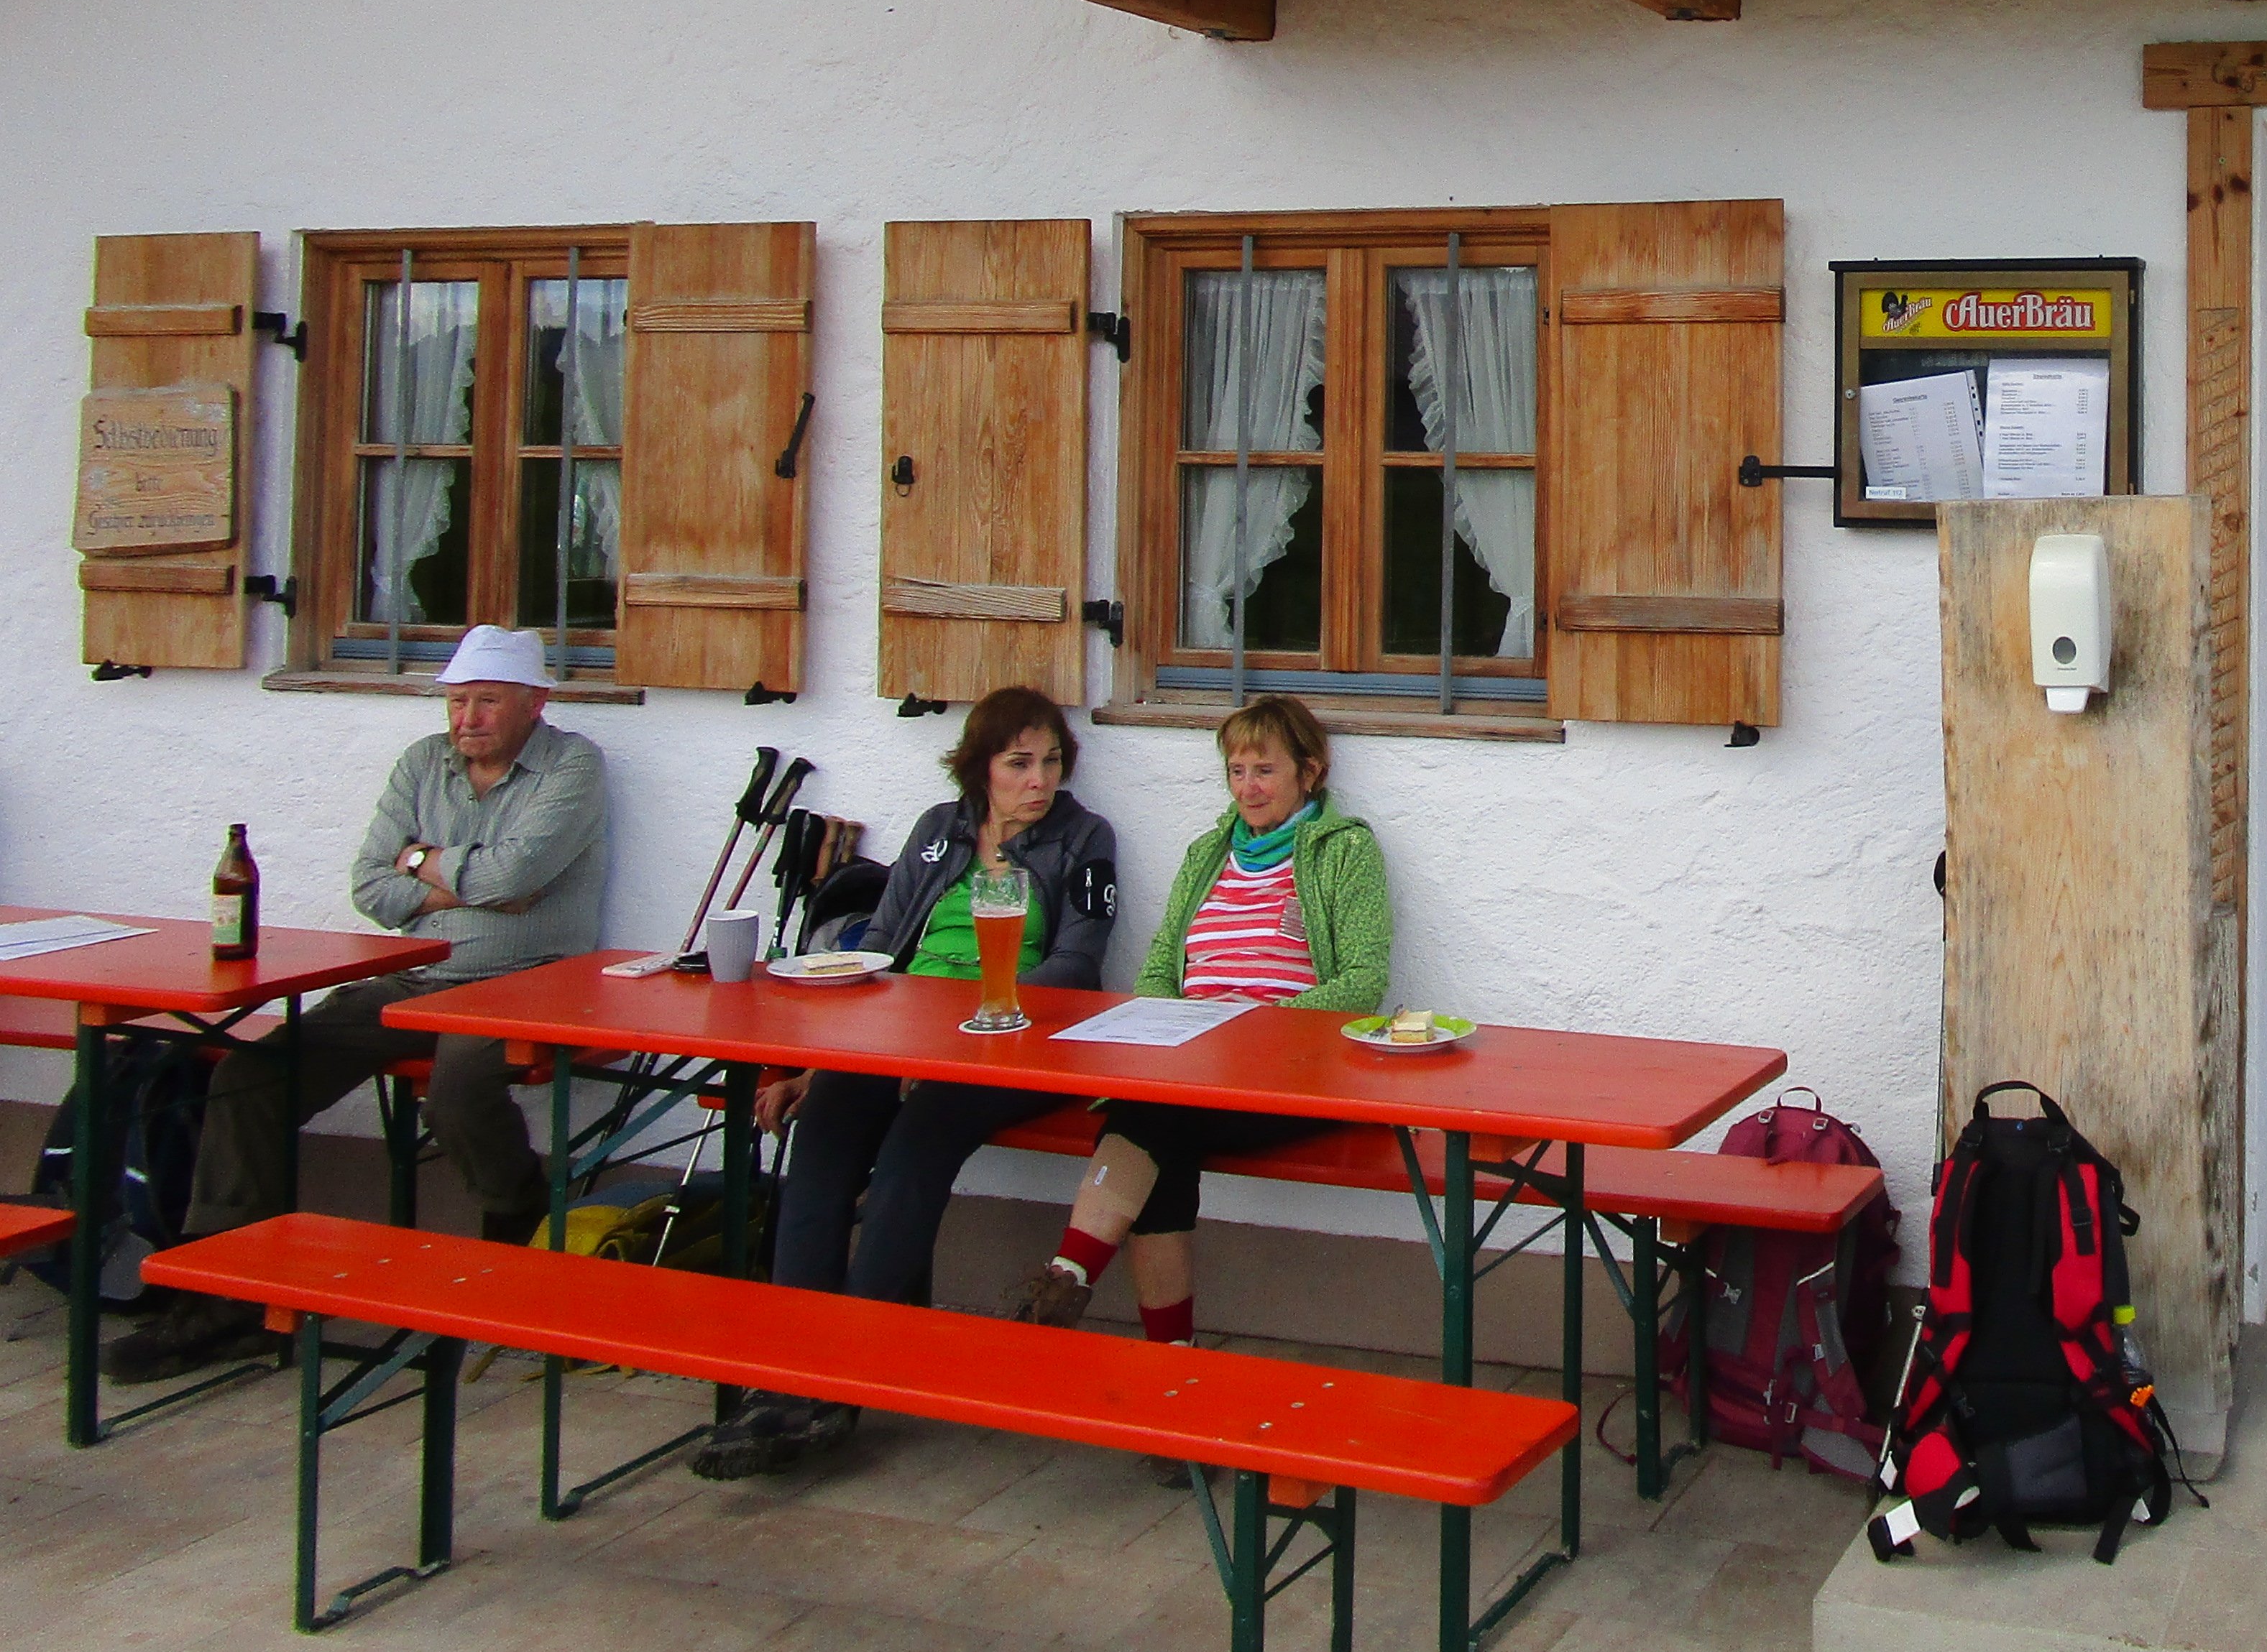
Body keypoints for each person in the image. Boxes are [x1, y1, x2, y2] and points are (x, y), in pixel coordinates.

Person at [109, 624, 607, 1382]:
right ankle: (226, 1298)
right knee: (251, 1075)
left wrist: (425, 863)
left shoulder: (572, 763)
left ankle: (518, 1221)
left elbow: (516, 878)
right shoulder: (423, 763)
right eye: (457, 702)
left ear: (534, 703)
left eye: (487, 701)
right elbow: (373, 887)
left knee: (457, 1086)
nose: (467, 718)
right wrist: (459, 876)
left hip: (528, 982)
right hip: (417, 974)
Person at [693, 683, 1117, 1480]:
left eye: (1052, 762)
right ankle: (786, 1373)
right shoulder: (937, 831)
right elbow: (880, 949)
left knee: (916, 1143)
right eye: (1019, 763)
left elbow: (1078, 965)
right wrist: (824, 1062)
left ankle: (846, 1376)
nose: (1039, 780)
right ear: (979, 769)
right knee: (824, 1127)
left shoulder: (1083, 838)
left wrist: (966, 1030)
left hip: (1016, 1042)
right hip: (904, 1039)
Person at [1007, 694, 1387, 1357]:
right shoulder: (1209, 852)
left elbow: (1362, 982)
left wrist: (1251, 1030)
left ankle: (1071, 1277)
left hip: (1293, 1071)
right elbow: (1160, 966)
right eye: (1237, 771)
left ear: (1310, 771)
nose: (1248, 788)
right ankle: (1166, 1357)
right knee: (1162, 1125)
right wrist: (1171, 1027)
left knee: (1151, 1117)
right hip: (1195, 1066)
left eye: (1264, 771)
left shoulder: (1347, 850)